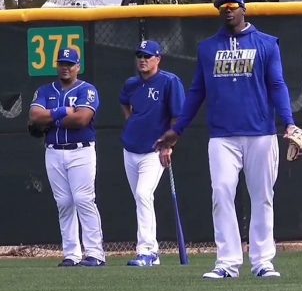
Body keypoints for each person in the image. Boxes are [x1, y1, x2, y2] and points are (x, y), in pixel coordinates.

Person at [154, 0, 302, 279]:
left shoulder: (267, 44)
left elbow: (277, 85)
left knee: (262, 197)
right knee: (221, 193)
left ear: (244, 9)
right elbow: (197, 91)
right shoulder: (208, 48)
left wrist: (289, 122)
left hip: (260, 132)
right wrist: (177, 129)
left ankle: (262, 262)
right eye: (222, 7)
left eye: (233, 5)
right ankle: (228, 262)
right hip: (222, 135)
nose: (227, 10)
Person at [28, 48, 106, 267]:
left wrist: (50, 119)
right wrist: (63, 111)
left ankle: (95, 253)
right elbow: (34, 116)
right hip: (53, 151)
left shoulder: (87, 89)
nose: (65, 67)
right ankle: (71, 254)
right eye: (62, 63)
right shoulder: (45, 90)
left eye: (70, 63)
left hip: (81, 150)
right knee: (63, 202)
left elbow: (82, 118)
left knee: (83, 199)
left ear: (78, 67)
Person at [119, 40, 185, 267]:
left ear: (158, 59)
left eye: (148, 56)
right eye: (140, 55)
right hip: (131, 148)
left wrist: (169, 145)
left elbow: (178, 118)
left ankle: (148, 251)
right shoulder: (131, 84)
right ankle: (148, 250)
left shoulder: (169, 82)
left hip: (154, 150)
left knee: (143, 194)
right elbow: (124, 103)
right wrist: (131, 122)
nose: (143, 60)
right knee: (140, 198)